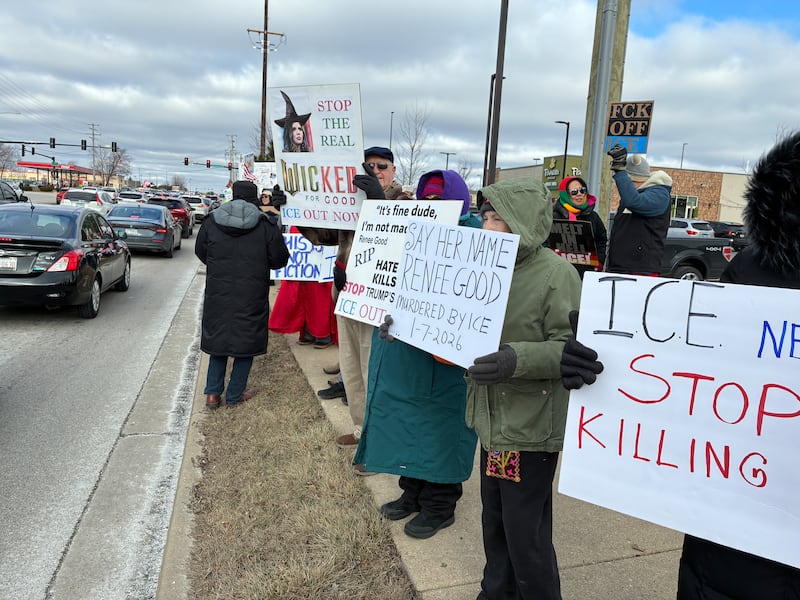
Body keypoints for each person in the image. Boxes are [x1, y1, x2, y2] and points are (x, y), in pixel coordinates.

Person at [561, 132, 800, 600]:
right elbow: (692, 377)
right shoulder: (756, 266)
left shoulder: (655, 193)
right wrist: (603, 365)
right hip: (727, 547)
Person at [466, 178, 581, 600]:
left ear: (525, 222)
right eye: (486, 217)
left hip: (529, 430)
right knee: (495, 523)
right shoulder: (479, 266)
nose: (490, 226)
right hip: (492, 423)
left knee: (524, 533)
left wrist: (516, 359)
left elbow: (570, 351)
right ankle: (495, 592)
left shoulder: (556, 274)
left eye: (500, 218)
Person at [353, 170, 481, 539]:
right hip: (407, 351)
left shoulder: (474, 238)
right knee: (407, 421)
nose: (431, 207)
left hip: (445, 359)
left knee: (441, 427)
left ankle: (440, 505)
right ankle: (412, 492)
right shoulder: (410, 230)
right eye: (426, 199)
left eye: (440, 201)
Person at [282, 147, 410, 476]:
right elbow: (323, 235)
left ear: (393, 170)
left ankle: (379, 444)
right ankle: (361, 430)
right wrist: (296, 209)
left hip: (379, 307)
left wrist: (377, 200)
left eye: (382, 166)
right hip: (348, 297)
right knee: (351, 372)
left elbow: (401, 238)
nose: (376, 170)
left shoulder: (404, 201)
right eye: (370, 166)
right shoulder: (350, 202)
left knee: (375, 376)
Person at [195, 180, 290, 409]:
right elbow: (279, 259)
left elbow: (201, 251)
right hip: (252, 292)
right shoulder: (266, 225)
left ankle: (212, 393)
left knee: (218, 339)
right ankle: (235, 394)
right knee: (245, 341)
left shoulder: (211, 222)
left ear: (233, 196)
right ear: (254, 198)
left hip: (219, 292)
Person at [604, 145, 672, 275]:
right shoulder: (634, 195)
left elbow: (633, 201)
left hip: (641, 270)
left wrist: (620, 170)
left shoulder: (659, 195)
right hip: (621, 267)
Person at [268, 225, 337, 349]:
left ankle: (322, 334)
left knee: (319, 296)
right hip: (301, 236)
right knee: (302, 294)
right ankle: (308, 332)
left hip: (321, 235)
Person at [552, 175, 607, 276]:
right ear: (565, 195)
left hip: (586, 273)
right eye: (574, 192)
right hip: (558, 273)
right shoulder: (553, 216)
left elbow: (602, 240)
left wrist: (599, 261)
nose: (579, 194)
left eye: (582, 190)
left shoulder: (593, 216)